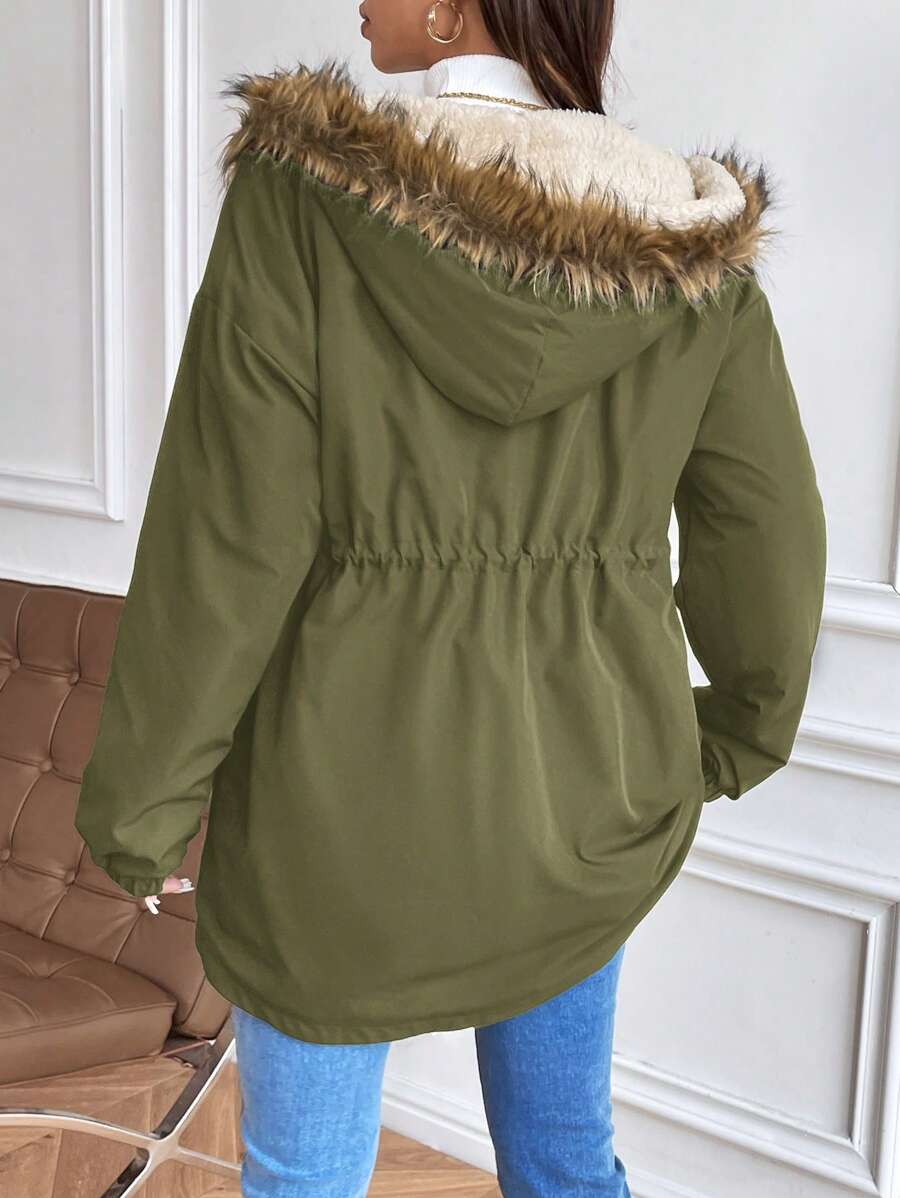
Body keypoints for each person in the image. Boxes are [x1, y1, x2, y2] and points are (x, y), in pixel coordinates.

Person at [73, 1, 828, 1194]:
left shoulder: (304, 204)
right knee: (565, 1161)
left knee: (303, 1180)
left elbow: (227, 535)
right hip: (586, 797)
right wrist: (737, 731)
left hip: (333, 813)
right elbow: (765, 531)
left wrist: (144, 804)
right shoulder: (688, 250)